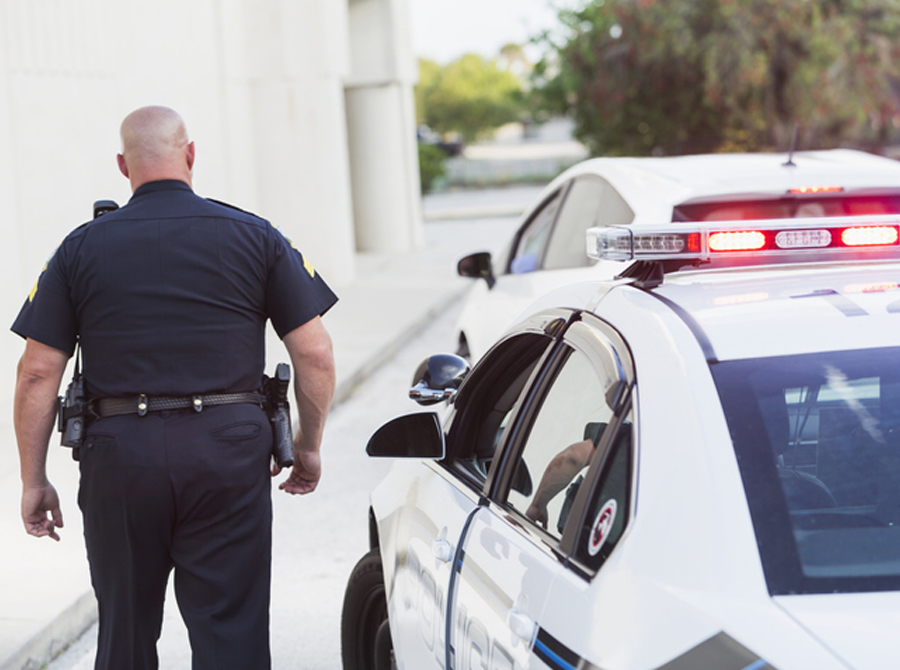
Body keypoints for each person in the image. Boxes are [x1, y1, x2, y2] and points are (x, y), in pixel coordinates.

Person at [12, 105, 338, 669]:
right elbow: (314, 350)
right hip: (229, 451)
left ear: (123, 166)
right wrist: (307, 446)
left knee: (126, 633)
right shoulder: (254, 235)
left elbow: (38, 371)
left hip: (120, 457)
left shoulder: (79, 248)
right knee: (230, 634)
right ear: (190, 154)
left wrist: (33, 478)